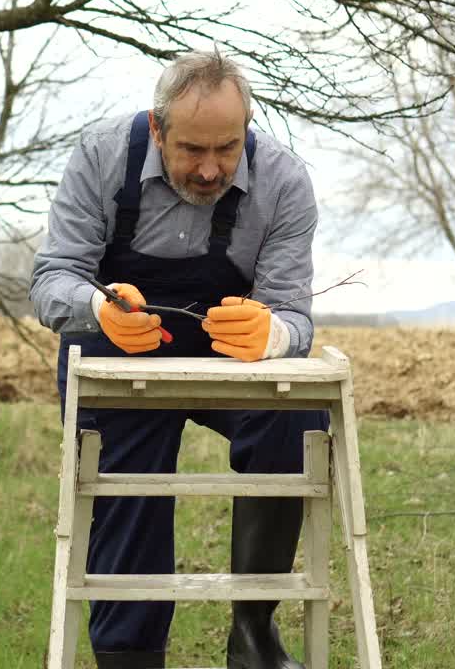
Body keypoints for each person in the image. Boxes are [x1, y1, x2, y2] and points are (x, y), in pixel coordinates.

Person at [30, 50, 328, 669]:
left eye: (228, 148)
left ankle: (253, 636)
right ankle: (129, 658)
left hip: (226, 356)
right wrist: (99, 308)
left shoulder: (285, 181)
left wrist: (271, 334)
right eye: (192, 149)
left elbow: (295, 318)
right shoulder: (99, 157)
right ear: (158, 129)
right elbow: (52, 278)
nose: (212, 168)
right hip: (120, 349)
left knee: (295, 419)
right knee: (124, 490)